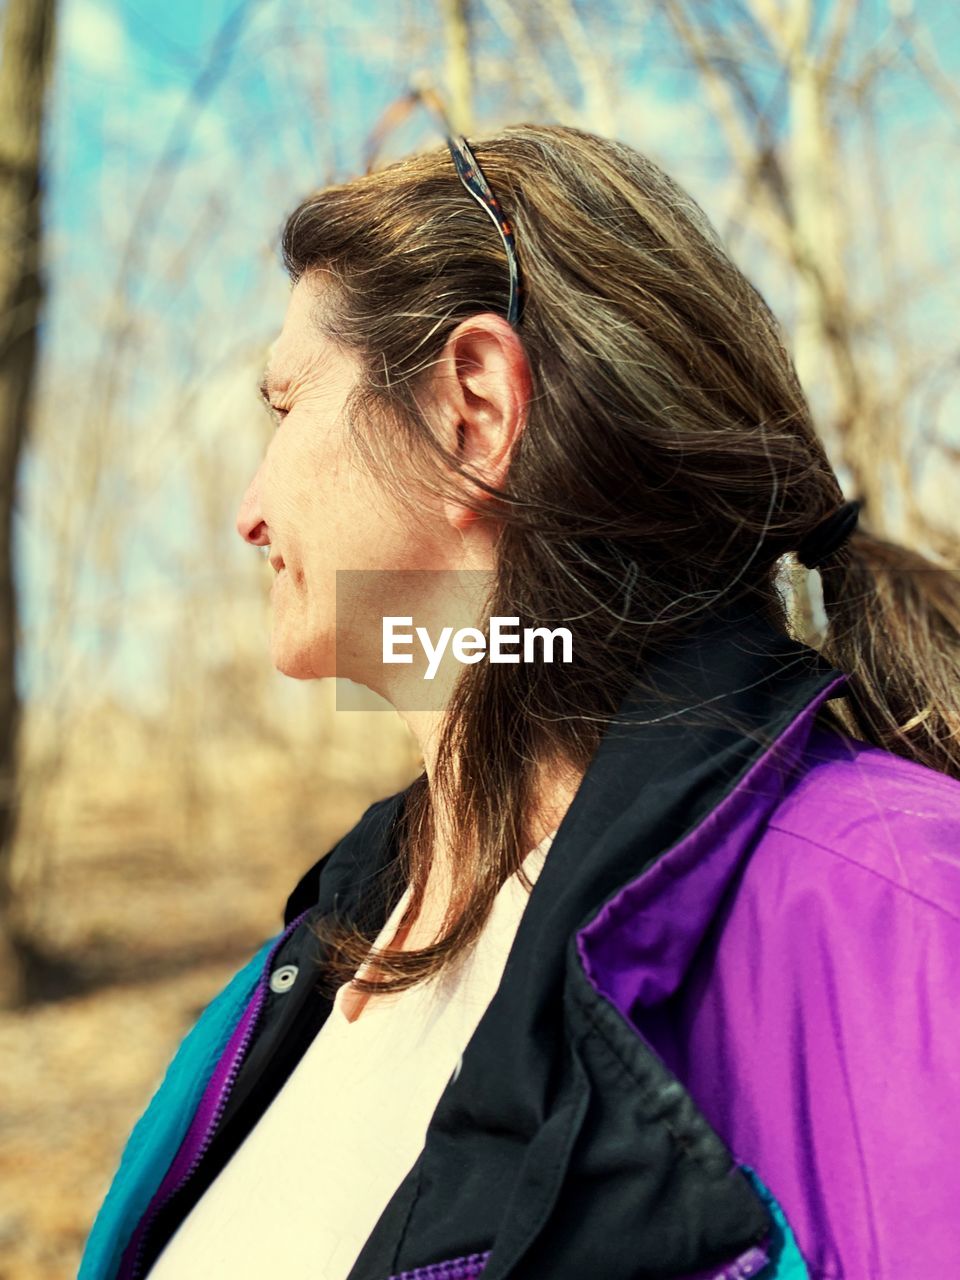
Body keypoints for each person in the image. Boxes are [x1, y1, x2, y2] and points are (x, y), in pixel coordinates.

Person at [79, 118, 960, 1280]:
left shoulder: (899, 919)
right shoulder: (296, 972)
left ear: (472, 409)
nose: (247, 507)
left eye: (286, 409)